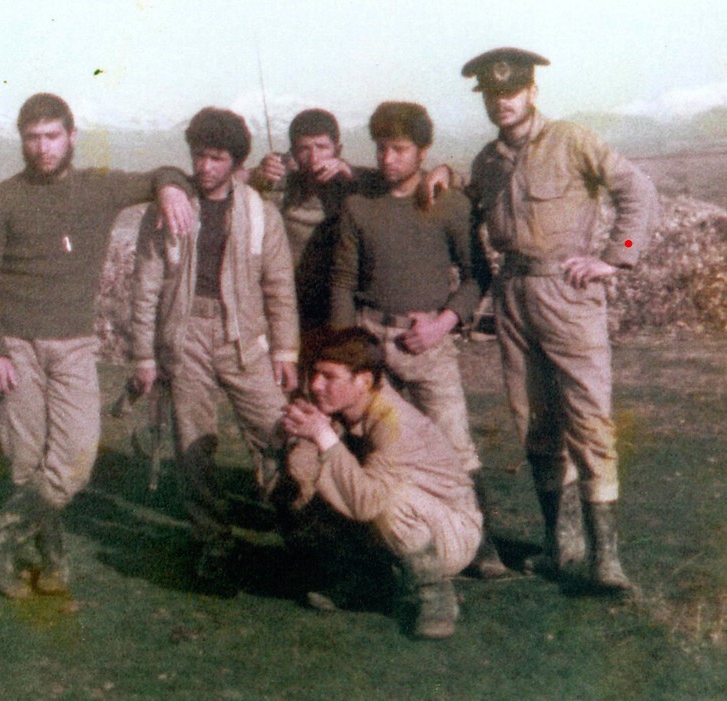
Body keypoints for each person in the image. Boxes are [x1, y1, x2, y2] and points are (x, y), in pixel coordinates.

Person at [0, 92, 195, 598]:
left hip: (73, 345)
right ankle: (51, 562)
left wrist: (170, 188)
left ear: (71, 137)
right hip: (15, 345)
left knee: (74, 461)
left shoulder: (98, 189)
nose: (43, 147)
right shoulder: (1, 200)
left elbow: (165, 172)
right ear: (22, 141)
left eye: (52, 136)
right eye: (33, 138)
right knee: (26, 460)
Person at [457, 48, 659, 591]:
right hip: (513, 296)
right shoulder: (487, 161)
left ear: (531, 91)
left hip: (567, 294)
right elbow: (468, 205)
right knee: (534, 423)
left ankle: (606, 560)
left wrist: (617, 257)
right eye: (492, 95)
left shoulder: (572, 140)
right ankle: (560, 544)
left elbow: (639, 192)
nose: (502, 102)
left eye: (511, 91)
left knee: (589, 420)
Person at [329, 101, 504, 577]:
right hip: (370, 338)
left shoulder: (448, 204)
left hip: (429, 343)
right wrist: (346, 351)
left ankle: (482, 545)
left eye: (400, 149)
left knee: (455, 441)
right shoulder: (359, 206)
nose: (388, 159)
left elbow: (477, 275)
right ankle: (373, 551)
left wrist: (443, 323)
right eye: (381, 148)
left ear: (423, 151)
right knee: (369, 442)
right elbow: (343, 281)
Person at [129, 107, 299, 591]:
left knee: (278, 429)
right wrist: (144, 355)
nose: (204, 167)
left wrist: (285, 351)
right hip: (184, 336)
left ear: (237, 162)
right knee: (193, 443)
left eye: (217, 158)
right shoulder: (167, 208)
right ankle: (212, 540)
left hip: (244, 337)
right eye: (199, 156)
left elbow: (278, 286)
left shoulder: (260, 213)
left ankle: (299, 525)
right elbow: (145, 286)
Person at [281, 327, 481, 639]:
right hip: (407, 522)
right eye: (315, 374)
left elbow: (368, 503)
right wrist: (299, 446)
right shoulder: (342, 405)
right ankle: (364, 578)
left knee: (387, 499)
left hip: (450, 533)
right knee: (312, 479)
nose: (316, 385)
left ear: (363, 381)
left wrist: (322, 434)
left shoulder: (393, 420)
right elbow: (304, 475)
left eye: (329, 376)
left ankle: (435, 594)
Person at [249, 109, 359, 384]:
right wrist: (259, 176)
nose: (314, 158)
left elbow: (392, 184)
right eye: (303, 149)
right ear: (292, 154)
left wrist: (350, 174)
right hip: (290, 302)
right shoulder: (283, 185)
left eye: (322, 147)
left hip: (338, 301)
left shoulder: (353, 184)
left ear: (338, 149)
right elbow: (237, 185)